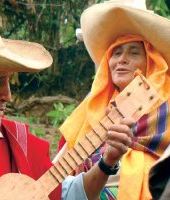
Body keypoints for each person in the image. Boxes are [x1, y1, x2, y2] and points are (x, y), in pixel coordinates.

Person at [0, 1, 132, 200]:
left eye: (8, 81)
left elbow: (67, 194)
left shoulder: (19, 141)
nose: (8, 95)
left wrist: (108, 161)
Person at [57, 0, 170, 199]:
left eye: (133, 52)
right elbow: (59, 178)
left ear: (151, 62)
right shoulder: (89, 111)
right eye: (116, 53)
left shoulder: (166, 109)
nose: (121, 60)